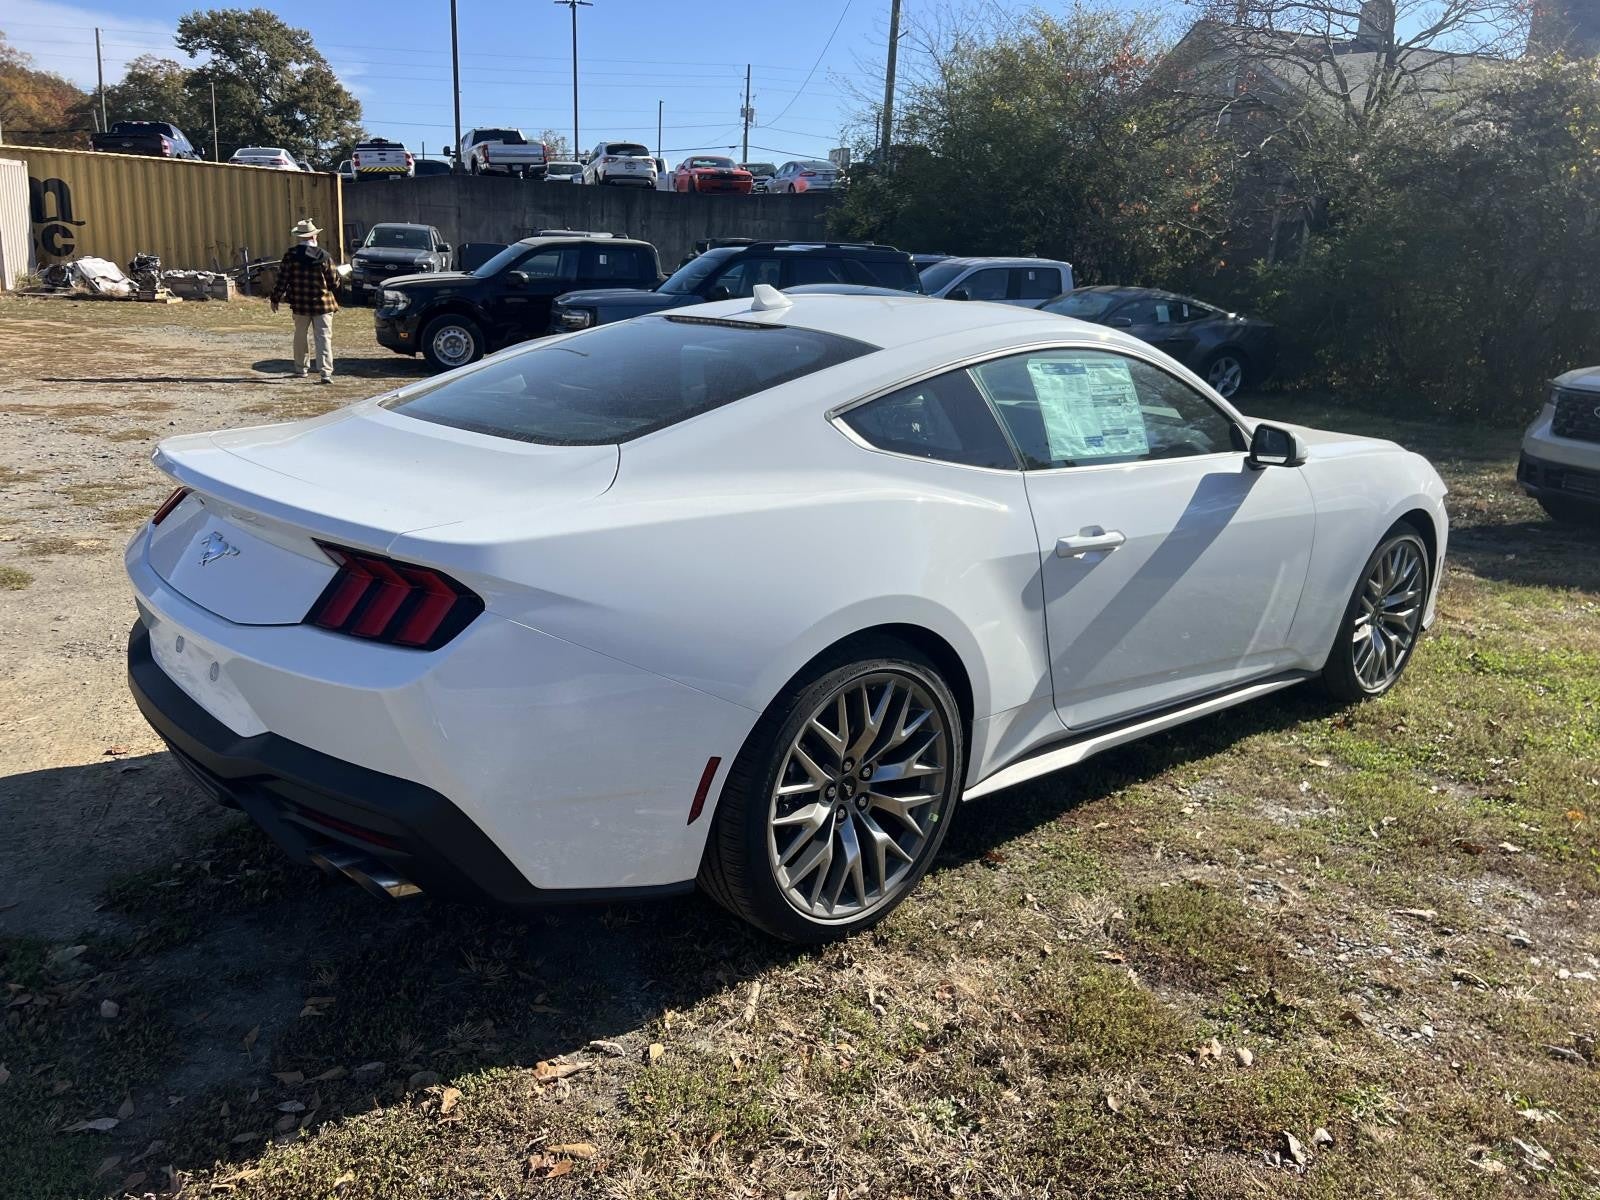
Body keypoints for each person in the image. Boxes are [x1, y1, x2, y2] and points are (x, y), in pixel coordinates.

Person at [270, 218, 340, 384]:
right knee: (323, 338)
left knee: (300, 336)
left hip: (300, 303)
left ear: (300, 237)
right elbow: (333, 282)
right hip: (323, 304)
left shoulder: (291, 255)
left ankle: (301, 369)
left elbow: (282, 279)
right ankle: (325, 373)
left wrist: (275, 298)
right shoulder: (325, 256)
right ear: (314, 236)